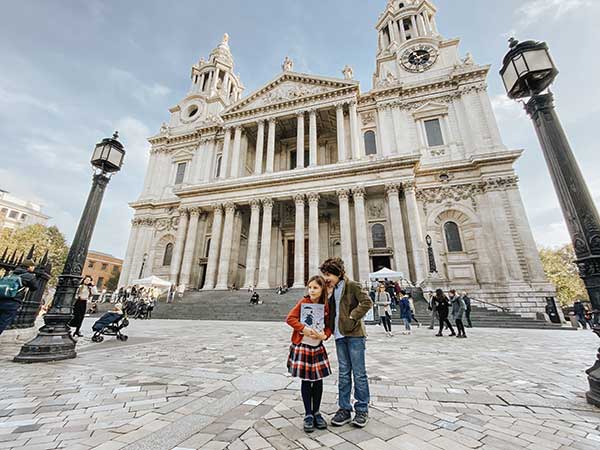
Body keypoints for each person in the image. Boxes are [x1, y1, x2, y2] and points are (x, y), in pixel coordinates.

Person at [320, 257, 372, 428]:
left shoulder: (353, 285)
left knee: (359, 373)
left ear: (338, 273)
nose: (326, 278)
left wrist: (352, 317)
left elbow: (367, 302)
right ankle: (344, 409)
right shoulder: (331, 289)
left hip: (355, 334)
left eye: (328, 274)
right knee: (343, 374)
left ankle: (362, 409)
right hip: (339, 335)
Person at [286, 275, 332, 433]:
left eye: (315, 288)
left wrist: (324, 335)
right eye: (310, 287)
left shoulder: (325, 306)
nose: (311, 290)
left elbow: (329, 326)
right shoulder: (303, 302)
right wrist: (303, 329)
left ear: (322, 290)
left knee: (318, 381)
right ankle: (308, 414)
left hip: (317, 347)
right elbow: (290, 318)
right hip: (303, 346)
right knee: (306, 381)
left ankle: (317, 412)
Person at [0, 259, 39, 335]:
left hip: (1, 298)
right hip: (12, 302)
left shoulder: (12, 273)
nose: (34, 268)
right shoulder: (29, 276)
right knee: (2, 322)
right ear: (29, 267)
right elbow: (34, 287)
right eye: (33, 266)